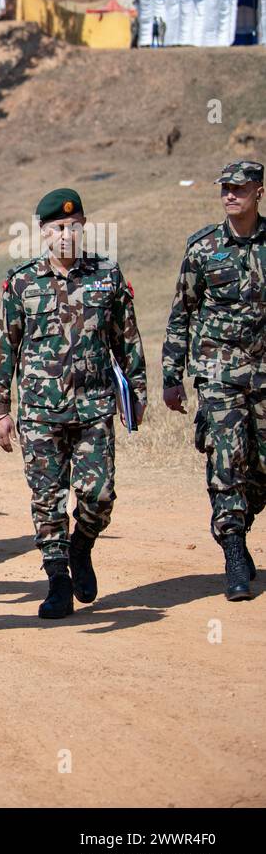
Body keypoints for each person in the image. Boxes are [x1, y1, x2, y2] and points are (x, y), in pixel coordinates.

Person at [0, 189, 146, 617]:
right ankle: (58, 579)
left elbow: (126, 340)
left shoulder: (106, 275)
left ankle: (81, 548)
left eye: (73, 225)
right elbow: (4, 348)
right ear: (43, 232)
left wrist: (137, 392)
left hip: (94, 407)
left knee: (100, 495)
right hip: (40, 413)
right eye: (57, 227)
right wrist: (0, 410)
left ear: (83, 226)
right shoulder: (22, 281)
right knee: (47, 497)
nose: (66, 234)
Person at [162, 161, 266, 602]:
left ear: (259, 191)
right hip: (219, 374)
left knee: (259, 466)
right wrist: (171, 376)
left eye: (239, 188)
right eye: (225, 188)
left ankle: (240, 517)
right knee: (226, 457)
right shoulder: (203, 248)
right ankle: (234, 550)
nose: (230, 195)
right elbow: (181, 312)